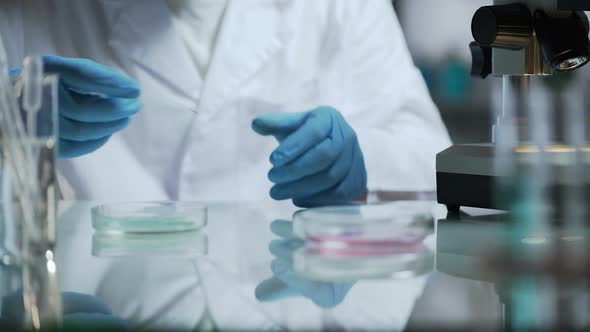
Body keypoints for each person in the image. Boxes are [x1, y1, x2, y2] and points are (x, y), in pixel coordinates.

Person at [0, 0, 451, 206]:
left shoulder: (341, 7)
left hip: (282, 307)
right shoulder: (28, 11)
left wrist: (360, 165)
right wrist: (6, 129)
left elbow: (432, 163)